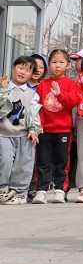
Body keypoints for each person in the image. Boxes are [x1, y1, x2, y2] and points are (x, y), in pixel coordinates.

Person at [34, 50, 81, 203]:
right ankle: (41, 190)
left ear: (68, 65)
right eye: (54, 62)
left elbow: (72, 102)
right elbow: (38, 107)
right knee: (43, 160)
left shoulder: (70, 83)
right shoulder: (43, 84)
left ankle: (60, 189)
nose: (57, 65)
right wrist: (39, 125)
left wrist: (60, 94)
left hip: (63, 130)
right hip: (45, 130)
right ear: (49, 65)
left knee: (62, 161)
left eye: (61, 62)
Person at [0, 57, 43, 205]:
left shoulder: (33, 94)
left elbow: (33, 113)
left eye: (28, 70)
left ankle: (19, 193)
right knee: (4, 160)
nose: (23, 72)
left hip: (24, 135)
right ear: (13, 68)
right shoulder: (4, 87)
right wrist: (4, 90)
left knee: (23, 163)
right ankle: (2, 190)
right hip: (4, 133)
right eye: (20, 68)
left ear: (32, 74)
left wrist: (34, 129)